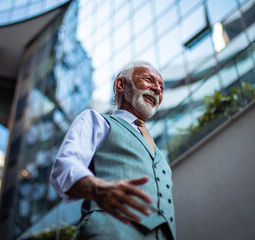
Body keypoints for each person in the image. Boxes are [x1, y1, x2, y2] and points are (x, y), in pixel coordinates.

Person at [50, 61, 176, 240]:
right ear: (121, 84)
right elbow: (65, 165)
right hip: (109, 232)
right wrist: (96, 188)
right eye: (149, 80)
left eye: (161, 87)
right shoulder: (97, 120)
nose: (157, 89)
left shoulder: (159, 154)